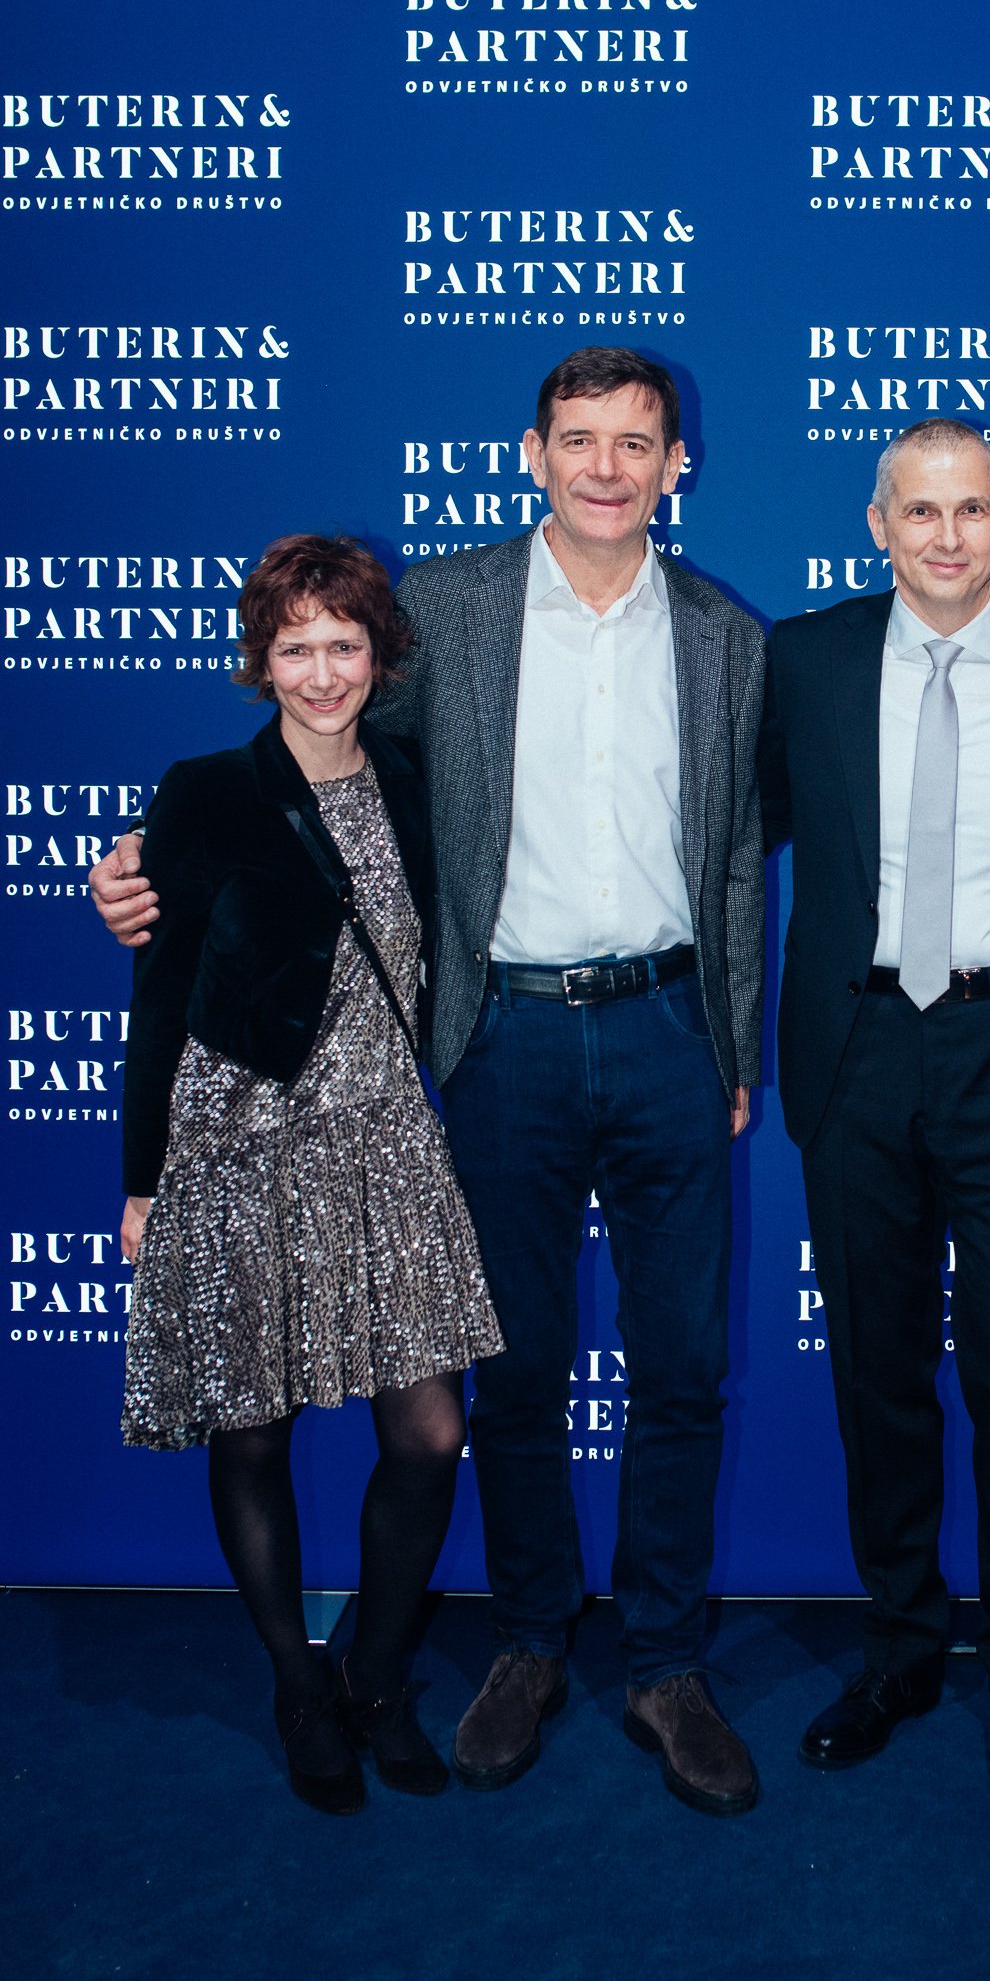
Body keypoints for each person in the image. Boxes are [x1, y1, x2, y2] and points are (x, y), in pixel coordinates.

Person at [94, 348, 766, 1818]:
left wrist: (734, 1044)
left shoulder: (725, 636)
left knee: (683, 1370)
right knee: (511, 1372)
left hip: (669, 1032)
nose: (605, 465)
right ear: (532, 455)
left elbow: (730, 858)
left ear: (675, 467)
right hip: (500, 1041)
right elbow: (304, 768)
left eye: (635, 442)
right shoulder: (450, 615)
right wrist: (147, 878)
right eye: (577, 439)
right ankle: (527, 1643)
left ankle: (663, 1662)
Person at [760, 418, 990, 1788]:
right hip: (858, 1048)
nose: (947, 536)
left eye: (972, 509)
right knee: (876, 1363)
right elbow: (715, 825)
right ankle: (904, 1643)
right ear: (877, 524)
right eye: (920, 511)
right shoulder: (801, 661)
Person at [119, 534, 504, 1817]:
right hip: (237, 1137)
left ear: (378, 652)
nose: (323, 670)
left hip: (388, 1136)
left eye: (344, 643)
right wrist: (142, 1176)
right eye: (296, 647)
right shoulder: (205, 791)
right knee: (253, 1424)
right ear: (260, 660)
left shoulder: (411, 774)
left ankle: (377, 1671)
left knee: (430, 1427)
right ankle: (298, 1681)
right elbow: (159, 988)